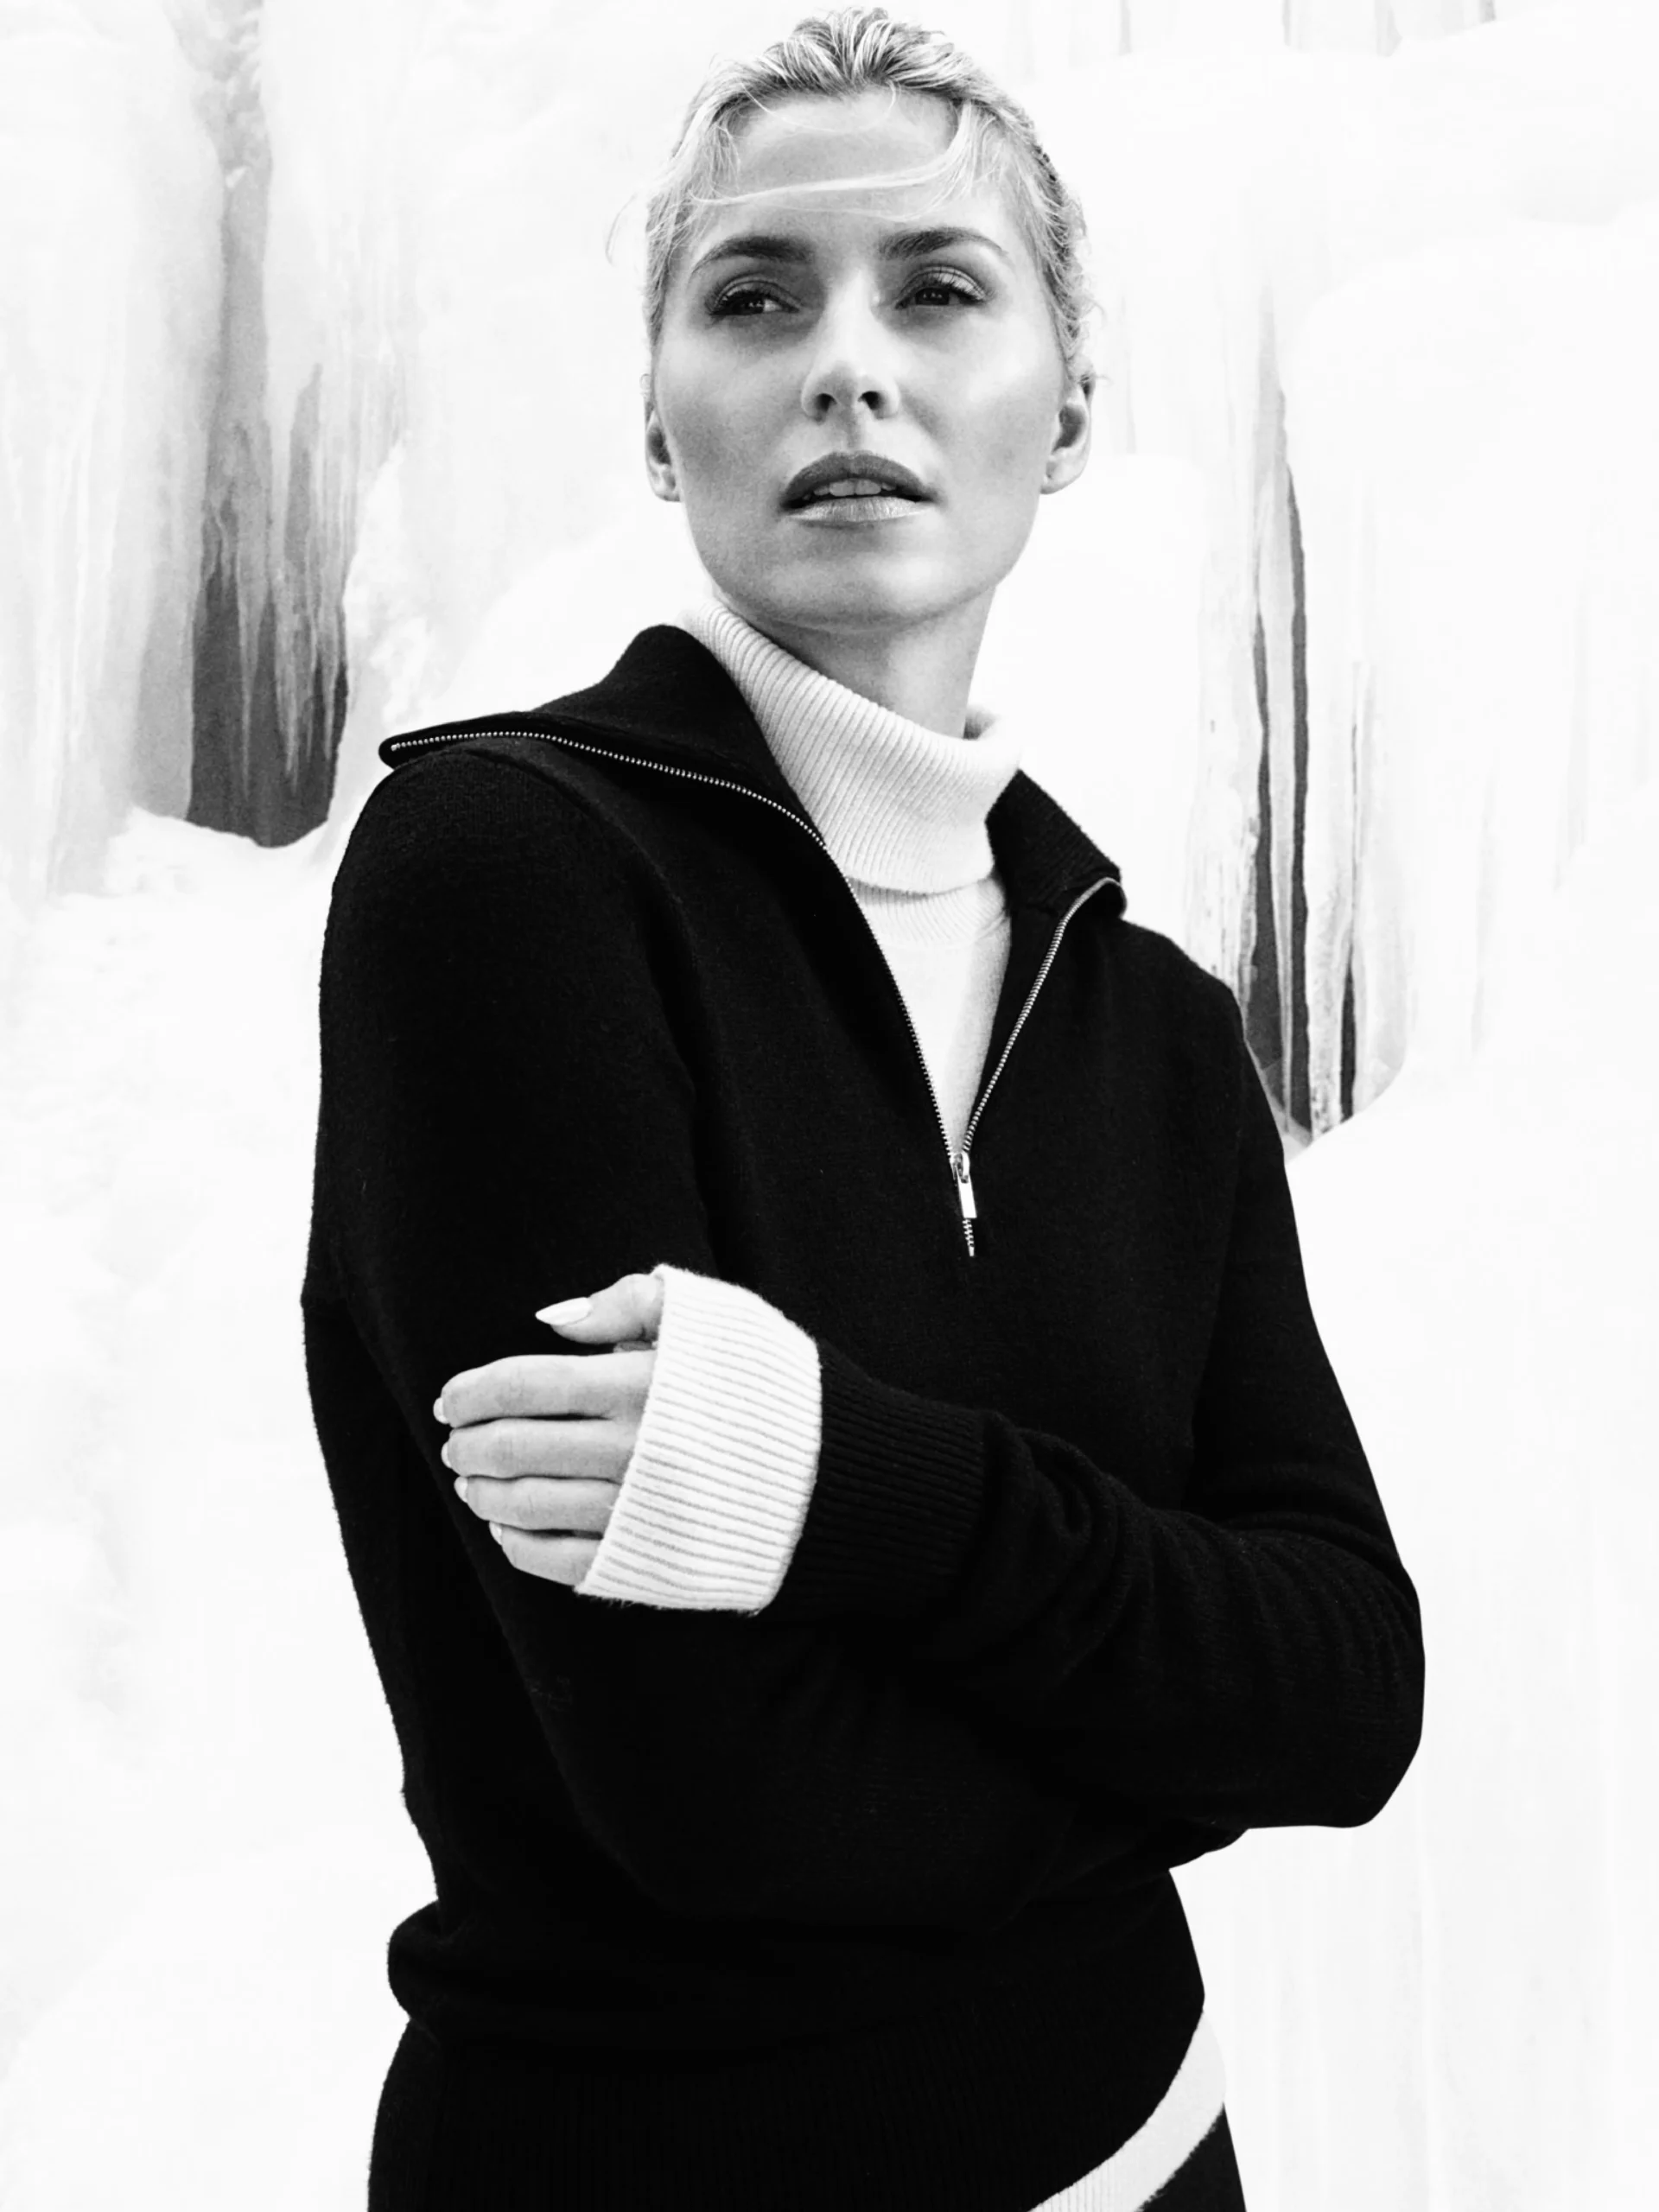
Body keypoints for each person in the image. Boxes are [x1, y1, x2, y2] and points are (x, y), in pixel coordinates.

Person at [302, 10, 1425, 2207]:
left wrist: (838, 1476)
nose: (847, 367)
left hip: (1153, 2155)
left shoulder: (1153, 1023)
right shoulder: (506, 879)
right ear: (659, 419)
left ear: (1067, 400)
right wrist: (1159, 1705)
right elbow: (715, 1805)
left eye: (936, 288)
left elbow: (1347, 1685)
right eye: (755, 297)